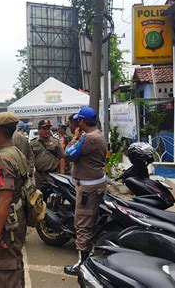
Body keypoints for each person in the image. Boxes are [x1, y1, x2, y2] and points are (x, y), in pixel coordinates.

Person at [0, 112, 28, 288]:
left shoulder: (3, 159)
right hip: (18, 216)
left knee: (6, 270)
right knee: (15, 265)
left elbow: (5, 198)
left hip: (8, 223)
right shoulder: (16, 152)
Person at [63, 107, 107, 276]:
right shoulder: (97, 134)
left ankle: (82, 265)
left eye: (78, 121)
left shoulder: (89, 138)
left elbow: (68, 154)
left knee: (82, 224)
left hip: (89, 188)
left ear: (81, 122)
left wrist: (75, 137)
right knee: (87, 222)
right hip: (93, 184)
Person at [30, 119, 65, 188]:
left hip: (53, 174)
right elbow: (29, 159)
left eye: (48, 129)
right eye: (44, 129)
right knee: (39, 195)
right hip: (39, 175)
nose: (47, 131)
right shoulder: (33, 143)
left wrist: (62, 172)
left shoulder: (56, 142)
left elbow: (62, 157)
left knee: (54, 194)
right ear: (39, 129)